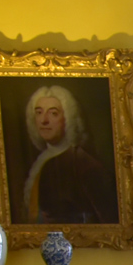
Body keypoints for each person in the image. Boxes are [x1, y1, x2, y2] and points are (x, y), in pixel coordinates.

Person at [13, 83, 117, 225]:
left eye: (53, 113)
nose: (44, 120)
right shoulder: (42, 160)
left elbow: (105, 219)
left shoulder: (82, 162)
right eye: (39, 112)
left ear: (68, 118)